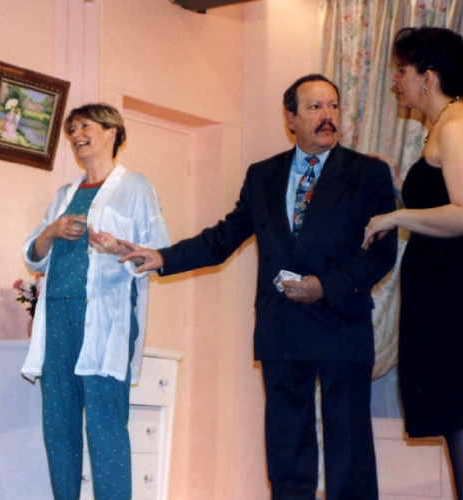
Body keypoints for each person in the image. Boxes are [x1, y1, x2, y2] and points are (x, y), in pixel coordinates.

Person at [121, 74, 397, 499]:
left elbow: (380, 255)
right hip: (281, 325)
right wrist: (163, 257)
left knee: (350, 452)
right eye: (315, 107)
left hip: (342, 323)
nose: (327, 116)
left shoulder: (368, 173)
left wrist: (324, 285)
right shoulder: (263, 174)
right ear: (291, 118)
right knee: (287, 451)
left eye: (333, 106)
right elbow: (224, 237)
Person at [362, 27, 463, 500]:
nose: (396, 81)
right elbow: (445, 206)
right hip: (453, 285)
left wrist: (395, 215)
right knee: (462, 419)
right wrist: (398, 184)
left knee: (462, 415)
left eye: (402, 70)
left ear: (427, 77)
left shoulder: (457, 128)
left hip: (460, 289)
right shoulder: (447, 126)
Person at [20, 103, 170, 499]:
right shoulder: (65, 195)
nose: (76, 135)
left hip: (105, 318)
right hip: (57, 316)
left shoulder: (136, 187)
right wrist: (51, 231)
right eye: (71, 130)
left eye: (84, 126)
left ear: (111, 132)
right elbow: (33, 256)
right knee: (59, 424)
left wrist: (117, 247)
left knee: (105, 425)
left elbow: (159, 253)